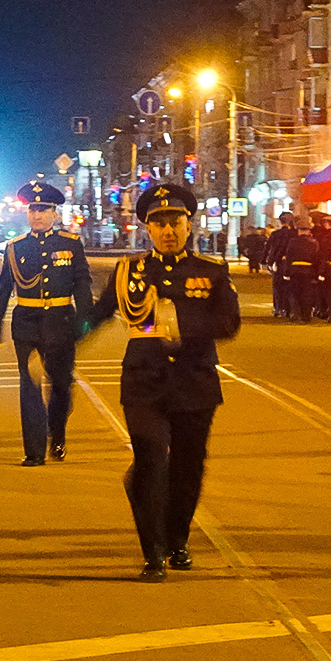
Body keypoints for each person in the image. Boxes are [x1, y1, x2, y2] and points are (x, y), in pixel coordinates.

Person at [86, 183, 240, 581]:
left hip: (194, 383)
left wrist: (180, 326)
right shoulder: (128, 272)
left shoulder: (211, 272)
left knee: (188, 469)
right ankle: (153, 552)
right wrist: (61, 343)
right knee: (153, 459)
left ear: (190, 225)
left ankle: (177, 540)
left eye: (176, 222)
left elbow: (229, 323)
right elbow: (98, 314)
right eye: (159, 224)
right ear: (147, 229)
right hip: (144, 382)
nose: (168, 230)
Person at [0, 181, 94, 466]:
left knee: (61, 386)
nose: (37, 215)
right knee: (30, 386)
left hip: (61, 323)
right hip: (27, 325)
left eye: (44, 209)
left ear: (55, 214)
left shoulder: (71, 245)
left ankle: (56, 434)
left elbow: (82, 283)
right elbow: (3, 289)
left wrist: (87, 319)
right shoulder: (15, 247)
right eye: (33, 209)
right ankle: (33, 451)